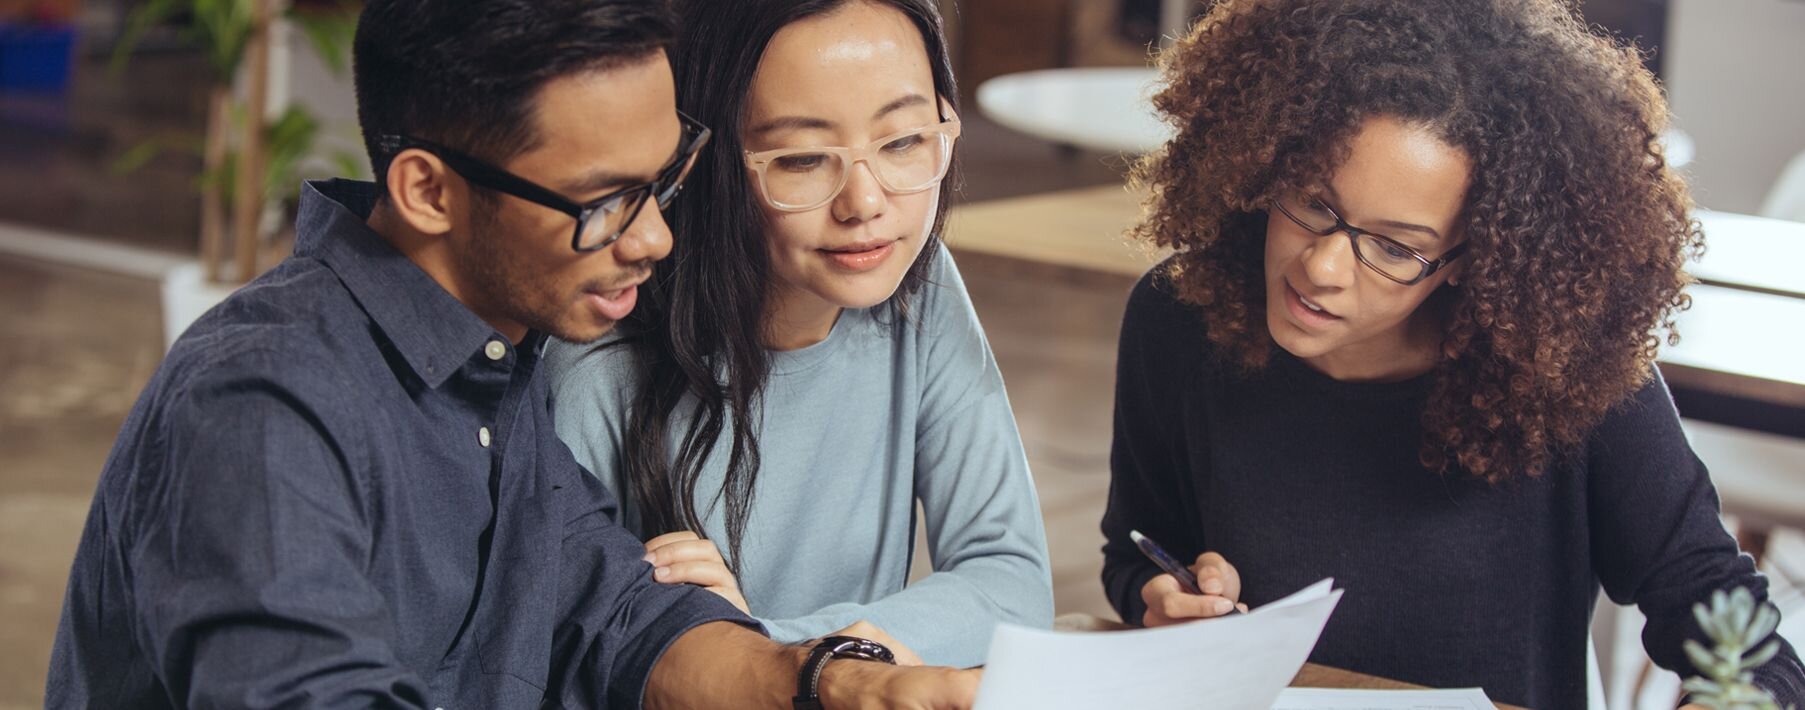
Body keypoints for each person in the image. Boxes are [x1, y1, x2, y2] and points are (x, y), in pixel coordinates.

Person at [46, 1, 978, 707]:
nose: (654, 237)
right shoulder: (261, 404)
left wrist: (829, 681)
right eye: (603, 200)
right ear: (428, 191)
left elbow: (619, 616)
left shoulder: (489, 366)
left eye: (663, 181)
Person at [1098, 0, 1805, 708]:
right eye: (1312, 203)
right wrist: (1161, 598)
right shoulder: (1179, 319)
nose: (1322, 268)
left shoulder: (1562, 371)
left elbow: (1746, 647)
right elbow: (1135, 554)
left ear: (1469, 259)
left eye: (1394, 247)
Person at [547, 0, 1053, 669]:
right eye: (803, 159)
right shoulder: (595, 358)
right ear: (708, 160)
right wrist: (716, 655)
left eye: (903, 142)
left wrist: (762, 647)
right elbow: (558, 652)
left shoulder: (919, 288)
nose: (865, 203)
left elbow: (1012, 583)